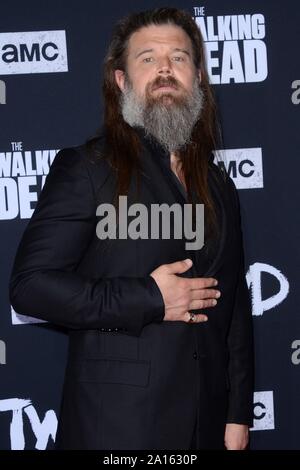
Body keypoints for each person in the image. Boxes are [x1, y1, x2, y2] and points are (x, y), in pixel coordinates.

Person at [9, 7, 254, 450]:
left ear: (197, 78)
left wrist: (237, 413)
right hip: (119, 424)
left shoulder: (219, 183)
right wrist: (150, 297)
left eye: (179, 58)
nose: (165, 68)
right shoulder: (88, 168)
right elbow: (30, 286)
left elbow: (234, 300)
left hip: (208, 421)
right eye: (148, 58)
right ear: (121, 81)